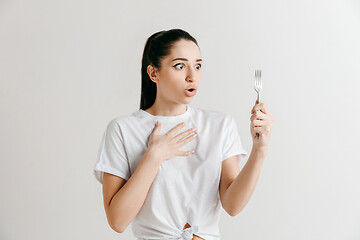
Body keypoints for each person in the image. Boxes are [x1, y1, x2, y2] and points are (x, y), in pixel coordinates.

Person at [93, 28, 274, 240]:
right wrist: (154, 157)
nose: (192, 76)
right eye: (180, 66)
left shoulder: (220, 125)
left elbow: (232, 206)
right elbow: (117, 220)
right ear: (153, 73)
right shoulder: (123, 129)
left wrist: (259, 150)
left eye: (197, 66)